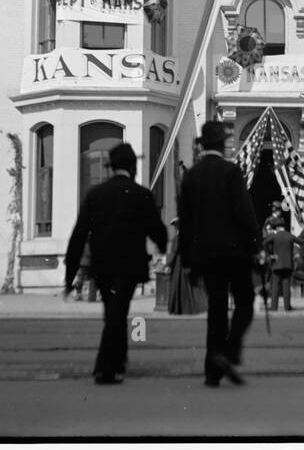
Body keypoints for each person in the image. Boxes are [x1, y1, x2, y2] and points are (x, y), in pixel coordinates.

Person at [63, 142, 169, 384]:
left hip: (101, 267)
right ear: (131, 167)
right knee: (117, 312)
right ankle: (105, 368)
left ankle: (118, 361)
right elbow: (157, 230)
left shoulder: (95, 195)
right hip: (129, 266)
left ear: (112, 168)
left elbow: (78, 237)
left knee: (113, 311)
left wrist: (69, 277)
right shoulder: (141, 194)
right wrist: (162, 247)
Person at [179, 120, 261, 387]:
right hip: (234, 254)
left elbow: (186, 222)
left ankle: (212, 371)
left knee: (216, 309)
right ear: (221, 145)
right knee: (245, 303)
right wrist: (256, 246)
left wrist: (188, 261)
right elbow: (245, 213)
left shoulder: (191, 175)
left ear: (204, 145)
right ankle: (228, 352)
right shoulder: (230, 171)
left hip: (206, 255)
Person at [166, 217, 208, 315]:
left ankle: (181, 308)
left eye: (176, 226)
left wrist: (168, 264)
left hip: (179, 265)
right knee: (189, 287)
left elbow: (174, 252)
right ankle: (191, 308)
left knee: (180, 286)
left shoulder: (178, 238)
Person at [267, 218, 297, 312]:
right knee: (286, 286)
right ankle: (287, 306)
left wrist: (270, 255)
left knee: (275, 285)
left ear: (277, 227)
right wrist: (294, 255)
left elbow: (263, 243)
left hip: (276, 264)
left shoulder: (273, 236)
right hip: (288, 264)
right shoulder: (290, 236)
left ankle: (274, 306)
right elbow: (302, 242)